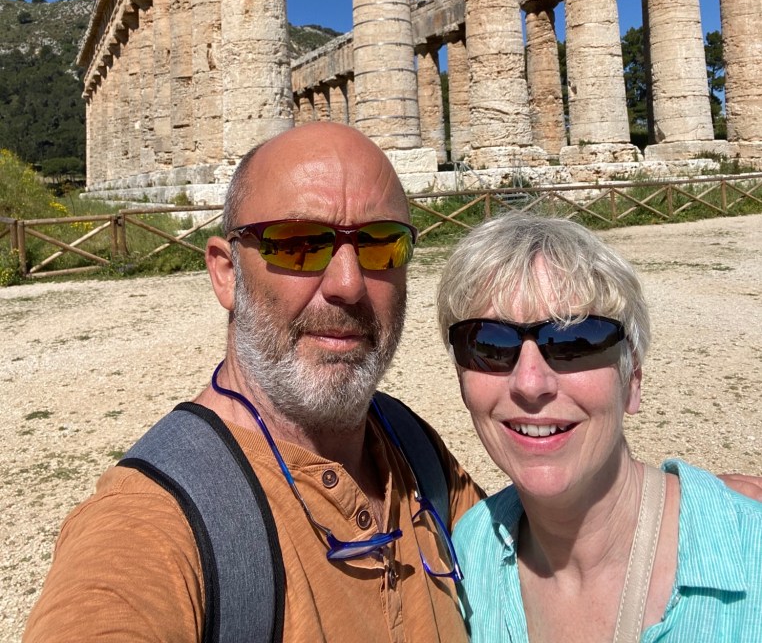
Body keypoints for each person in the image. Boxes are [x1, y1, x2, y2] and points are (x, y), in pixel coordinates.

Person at [24, 123, 482, 643]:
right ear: (225, 273)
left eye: (381, 244)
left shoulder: (417, 452)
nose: (348, 284)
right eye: (299, 244)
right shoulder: (150, 524)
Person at [437, 213, 762, 642]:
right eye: (489, 344)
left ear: (632, 379)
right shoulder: (469, 554)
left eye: (574, 342)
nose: (530, 383)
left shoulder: (750, 555)